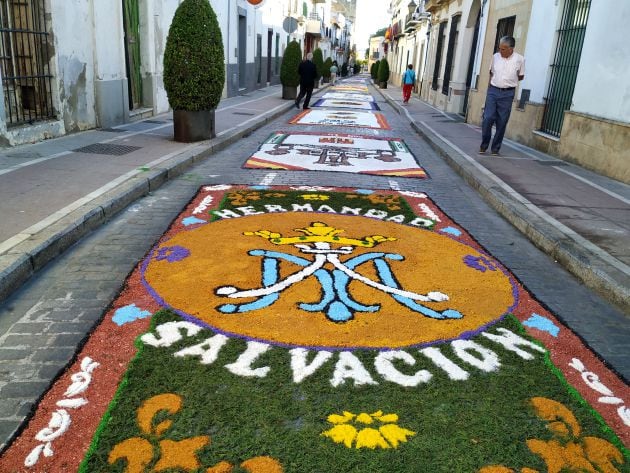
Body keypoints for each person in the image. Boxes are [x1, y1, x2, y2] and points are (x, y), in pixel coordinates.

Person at [480, 36, 525, 155]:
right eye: (500, 48)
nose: (501, 51)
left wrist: (508, 83)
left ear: (511, 49)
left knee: (502, 121)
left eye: (504, 49)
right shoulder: (495, 57)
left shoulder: (520, 59)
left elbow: (521, 76)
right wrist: (490, 88)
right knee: (488, 118)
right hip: (493, 91)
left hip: (508, 93)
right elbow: (491, 73)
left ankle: (495, 148)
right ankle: (484, 144)